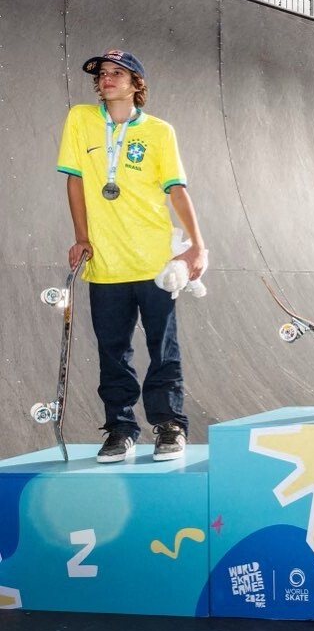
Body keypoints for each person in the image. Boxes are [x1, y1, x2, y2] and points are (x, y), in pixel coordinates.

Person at [57, 49, 205, 462]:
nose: (107, 79)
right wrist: (81, 237)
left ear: (136, 83)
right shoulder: (81, 120)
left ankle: (169, 425)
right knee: (113, 351)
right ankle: (120, 428)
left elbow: (177, 189)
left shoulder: (159, 132)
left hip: (155, 262)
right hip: (105, 263)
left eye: (117, 73)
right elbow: (73, 183)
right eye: (102, 73)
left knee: (163, 348)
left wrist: (196, 244)